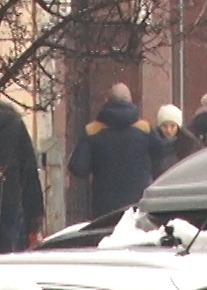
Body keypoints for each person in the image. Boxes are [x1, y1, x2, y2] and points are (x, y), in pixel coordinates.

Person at [66, 82, 163, 218]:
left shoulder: (92, 130)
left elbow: (78, 168)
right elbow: (162, 155)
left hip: (105, 206)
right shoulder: (144, 129)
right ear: (130, 101)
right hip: (137, 203)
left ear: (107, 101)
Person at [0, 78, 44, 254]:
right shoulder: (14, 122)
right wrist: (34, 217)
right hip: (10, 197)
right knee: (9, 251)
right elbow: (28, 169)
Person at [154, 104, 196, 174]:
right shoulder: (152, 143)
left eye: (172, 126)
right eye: (164, 126)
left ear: (178, 126)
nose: (168, 130)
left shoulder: (189, 144)